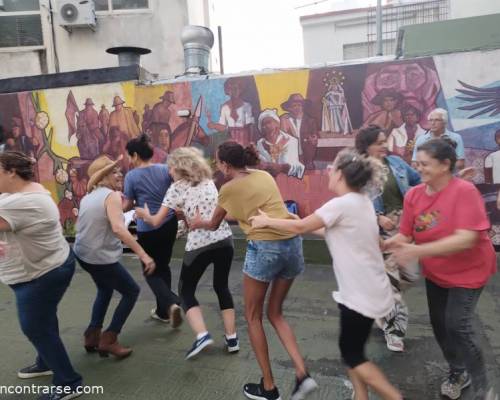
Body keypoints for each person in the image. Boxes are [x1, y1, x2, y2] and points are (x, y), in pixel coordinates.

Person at [250, 148, 403, 400]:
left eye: (333, 167)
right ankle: (360, 397)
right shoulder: (361, 202)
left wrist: (267, 222)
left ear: (341, 174)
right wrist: (294, 219)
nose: (329, 171)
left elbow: (300, 227)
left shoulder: (340, 204)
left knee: (352, 354)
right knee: (351, 351)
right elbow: (332, 232)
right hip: (367, 289)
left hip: (360, 294)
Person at [188, 141, 317, 400]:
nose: (217, 166)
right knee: (275, 313)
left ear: (225, 164)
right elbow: (253, 209)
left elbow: (213, 224)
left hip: (265, 248)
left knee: (253, 316)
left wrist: (195, 222)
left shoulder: (227, 188)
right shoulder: (262, 175)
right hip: (292, 244)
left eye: (218, 162)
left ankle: (268, 388)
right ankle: (302, 374)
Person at [386, 139, 498, 400]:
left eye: (425, 164)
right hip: (437, 273)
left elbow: (466, 238)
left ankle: (483, 388)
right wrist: (388, 243)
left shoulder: (464, 191)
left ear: (445, 165)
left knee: (457, 325)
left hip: (470, 270)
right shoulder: (414, 195)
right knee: (439, 325)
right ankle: (458, 372)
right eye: (417, 163)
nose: (419, 168)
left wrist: (416, 252)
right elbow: (406, 234)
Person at [135, 147, 238, 359]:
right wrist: (184, 214)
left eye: (171, 167)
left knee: (186, 290)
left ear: (179, 167)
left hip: (200, 245)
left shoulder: (176, 189)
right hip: (225, 241)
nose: (169, 172)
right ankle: (232, 338)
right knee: (222, 287)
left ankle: (202, 335)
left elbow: (156, 221)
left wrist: (142, 213)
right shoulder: (209, 182)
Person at [0, 151, 83, 400]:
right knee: (44, 319)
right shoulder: (26, 191)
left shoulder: (20, 202)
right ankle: (46, 361)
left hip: (40, 275)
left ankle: (69, 382)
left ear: (10, 172)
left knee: (35, 327)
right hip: (47, 266)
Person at [73, 155, 155, 359]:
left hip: (83, 254)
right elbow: (119, 229)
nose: (120, 174)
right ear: (102, 177)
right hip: (99, 256)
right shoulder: (111, 196)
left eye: (119, 171)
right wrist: (144, 255)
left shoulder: (89, 196)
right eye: (114, 172)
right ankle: (109, 339)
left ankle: (92, 335)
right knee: (131, 291)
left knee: (105, 288)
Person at [355, 125, 421, 353]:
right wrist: (377, 216)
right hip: (378, 232)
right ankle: (394, 331)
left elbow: (420, 182)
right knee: (392, 283)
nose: (385, 146)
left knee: (411, 276)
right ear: (367, 146)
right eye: (379, 142)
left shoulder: (397, 164)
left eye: (385, 141)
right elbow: (352, 204)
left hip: (404, 229)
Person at [123, 134, 183, 327]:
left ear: (134, 155)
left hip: (148, 228)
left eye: (129, 156)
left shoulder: (131, 176)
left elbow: (127, 204)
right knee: (163, 266)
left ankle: (172, 302)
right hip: (169, 223)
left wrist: (117, 203)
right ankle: (163, 311)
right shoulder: (165, 169)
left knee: (149, 269)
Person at [256, 109, 305, 179]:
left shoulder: (291, 141)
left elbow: (298, 169)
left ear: (277, 123)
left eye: (269, 122)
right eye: (263, 124)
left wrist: (281, 167)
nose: (266, 126)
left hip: (288, 182)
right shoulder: (260, 144)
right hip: (268, 182)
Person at [206, 77, 255, 146]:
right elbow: (223, 127)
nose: (233, 91)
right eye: (230, 89)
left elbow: (250, 126)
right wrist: (213, 125)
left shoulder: (246, 106)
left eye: (236, 88)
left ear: (240, 90)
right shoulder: (224, 107)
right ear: (227, 91)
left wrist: (251, 142)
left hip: (244, 139)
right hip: (230, 139)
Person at [280, 93, 319, 170]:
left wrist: (313, 139)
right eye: (294, 105)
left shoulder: (310, 121)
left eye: (299, 105)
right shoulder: (285, 120)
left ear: (303, 107)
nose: (297, 108)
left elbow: (315, 137)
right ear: (289, 108)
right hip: (291, 159)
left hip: (307, 159)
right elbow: (282, 137)